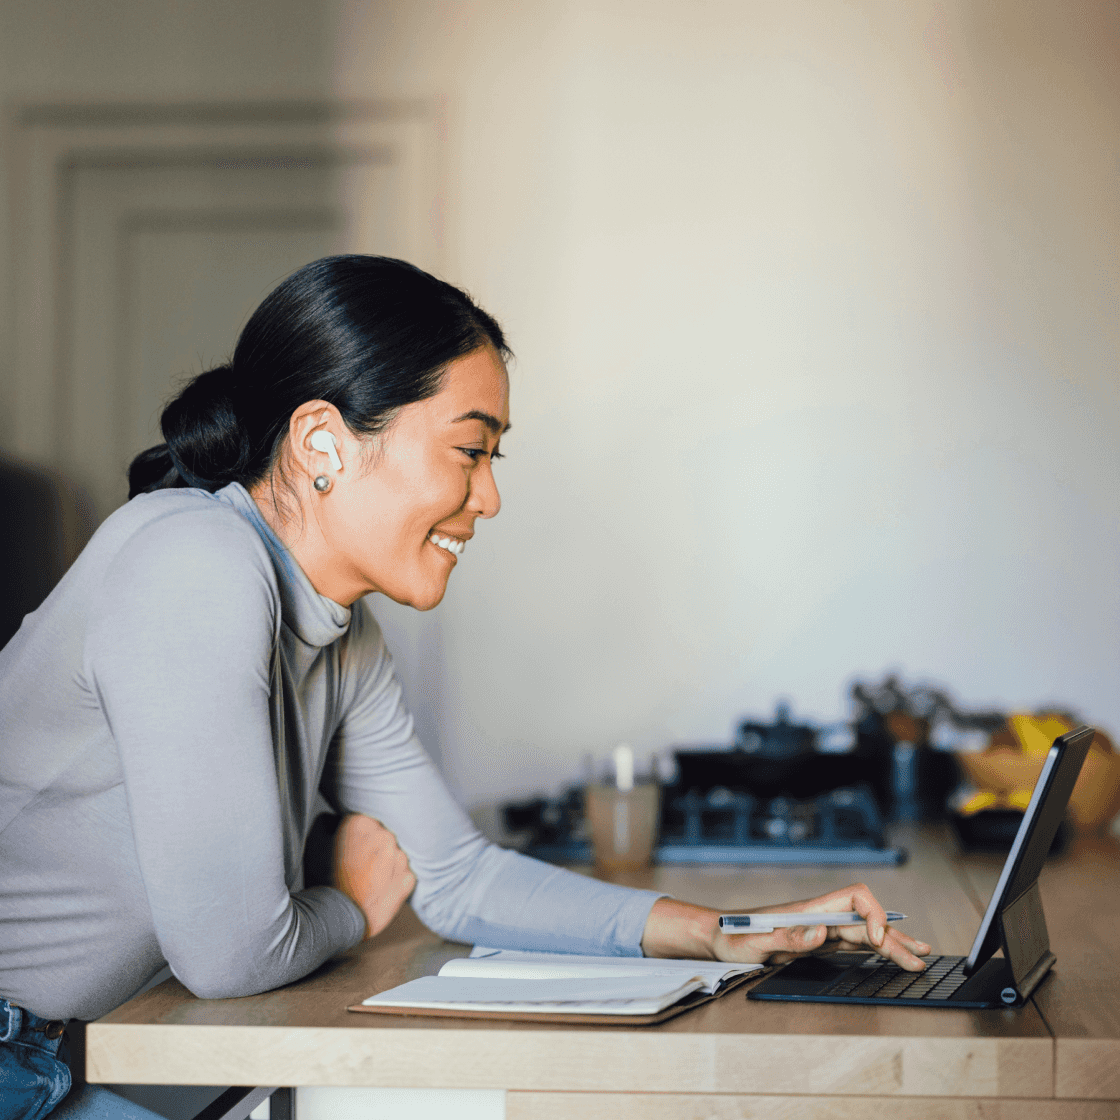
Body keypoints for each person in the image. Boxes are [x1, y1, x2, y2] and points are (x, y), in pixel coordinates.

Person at [0, 256, 929, 1120]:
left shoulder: (339, 627)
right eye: (470, 452)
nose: (489, 499)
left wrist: (728, 932)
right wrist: (352, 904)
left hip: (36, 1064)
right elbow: (232, 956)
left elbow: (456, 874)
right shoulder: (192, 560)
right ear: (323, 440)